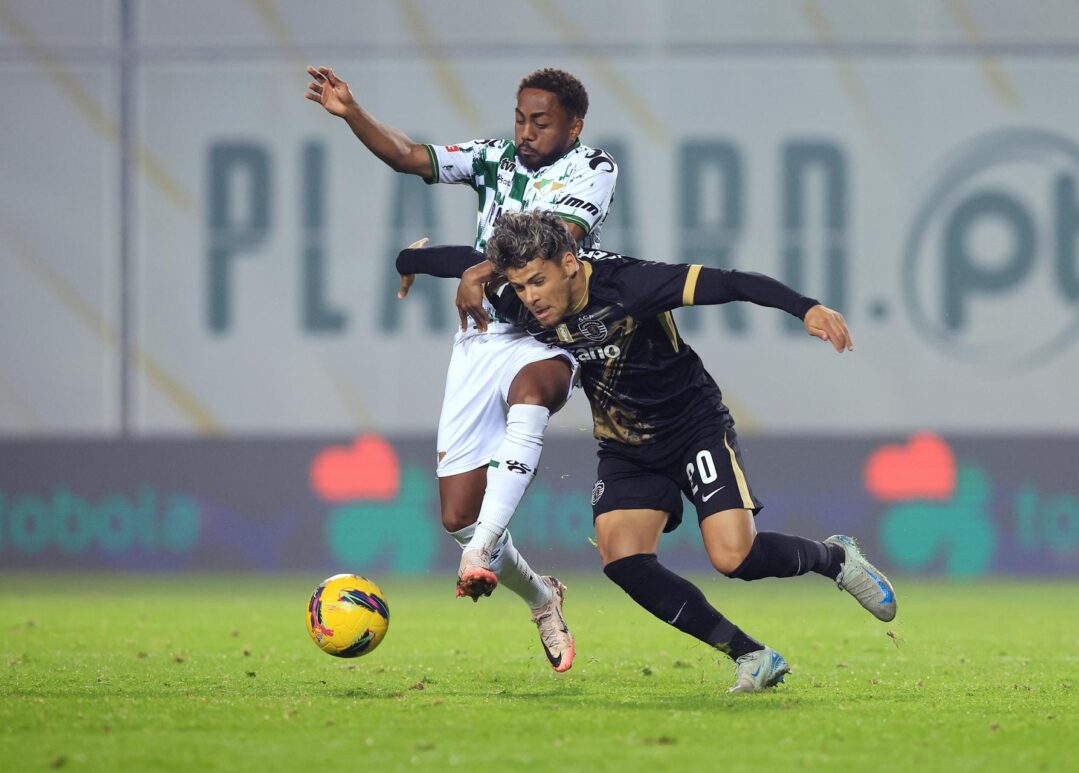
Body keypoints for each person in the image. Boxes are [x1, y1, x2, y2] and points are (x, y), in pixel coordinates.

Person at [396, 210, 898, 693]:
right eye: (520, 286)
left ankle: (834, 558)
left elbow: (730, 282)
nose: (529, 298)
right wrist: (409, 261)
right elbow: (463, 259)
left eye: (537, 282)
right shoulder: (521, 297)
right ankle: (751, 655)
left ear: (569, 263)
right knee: (623, 559)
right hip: (626, 446)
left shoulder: (631, 284)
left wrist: (805, 307)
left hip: (692, 427)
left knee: (734, 557)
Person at [305, 65, 619, 673]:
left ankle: (479, 552)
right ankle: (541, 596)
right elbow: (407, 156)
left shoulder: (594, 168)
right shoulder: (492, 157)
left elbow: (556, 237)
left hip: (547, 328)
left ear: (574, 126)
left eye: (542, 122)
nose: (525, 132)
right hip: (481, 342)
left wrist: (471, 267)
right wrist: (353, 113)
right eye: (521, 118)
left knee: (536, 392)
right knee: (455, 515)